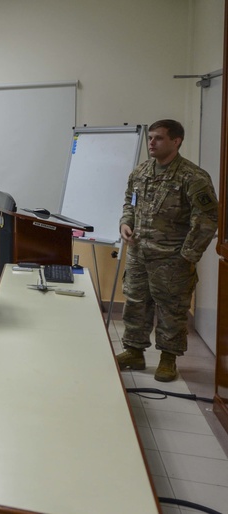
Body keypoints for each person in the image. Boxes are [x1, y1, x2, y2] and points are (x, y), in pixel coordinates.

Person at [116, 119, 217, 382]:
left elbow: (207, 219)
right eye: (150, 137)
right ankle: (134, 352)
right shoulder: (140, 172)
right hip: (139, 254)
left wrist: (187, 255)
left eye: (158, 138)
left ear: (176, 141)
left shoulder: (192, 177)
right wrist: (126, 222)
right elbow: (130, 202)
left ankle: (168, 360)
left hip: (172, 259)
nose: (151, 142)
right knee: (136, 304)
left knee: (171, 310)